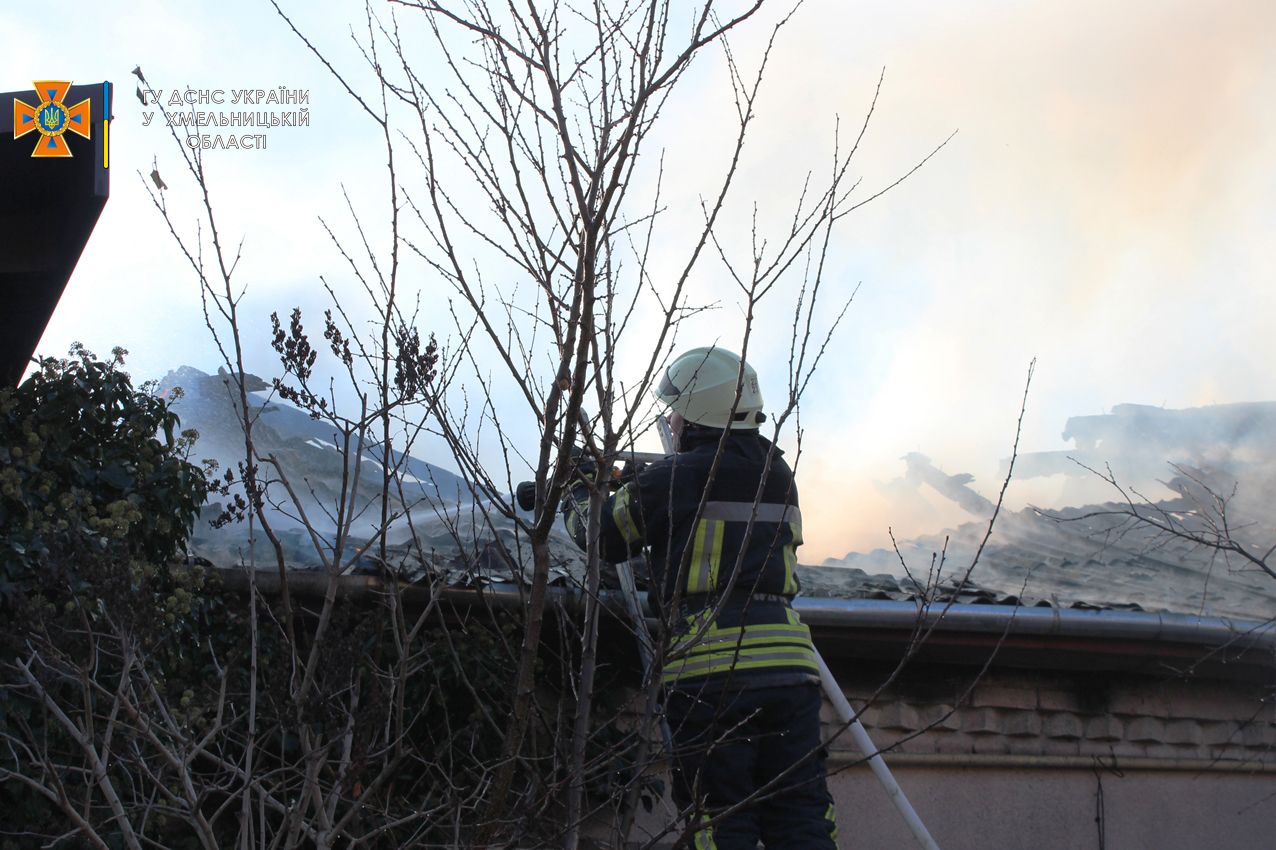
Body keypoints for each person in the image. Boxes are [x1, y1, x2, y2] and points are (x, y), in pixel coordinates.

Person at [561, 347, 838, 850]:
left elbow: (602, 534)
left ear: (697, 415)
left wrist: (576, 488)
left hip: (713, 668)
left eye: (676, 412)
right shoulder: (778, 474)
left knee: (720, 820)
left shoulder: (683, 475)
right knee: (800, 815)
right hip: (790, 669)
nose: (671, 421)